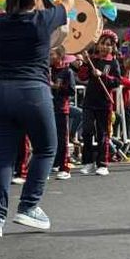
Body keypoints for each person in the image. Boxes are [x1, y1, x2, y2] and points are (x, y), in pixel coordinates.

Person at [0, 0, 73, 238]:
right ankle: (29, 205)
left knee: (2, 156)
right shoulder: (41, 20)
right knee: (47, 148)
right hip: (32, 90)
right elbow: (67, 4)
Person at [78, 32, 121, 177]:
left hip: (104, 103)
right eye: (102, 43)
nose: (104, 47)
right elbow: (82, 76)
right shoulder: (93, 60)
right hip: (89, 102)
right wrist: (84, 63)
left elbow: (116, 81)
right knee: (87, 132)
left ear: (113, 47)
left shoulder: (114, 63)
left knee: (103, 134)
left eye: (108, 44)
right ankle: (87, 162)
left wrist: (102, 75)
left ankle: (102, 163)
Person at [49, 46, 76, 179]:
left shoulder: (67, 72)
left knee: (62, 138)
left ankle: (65, 166)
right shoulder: (48, 70)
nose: (50, 57)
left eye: (52, 54)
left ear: (60, 56)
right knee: (50, 137)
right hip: (48, 107)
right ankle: (54, 162)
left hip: (61, 108)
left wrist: (56, 86)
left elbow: (71, 90)